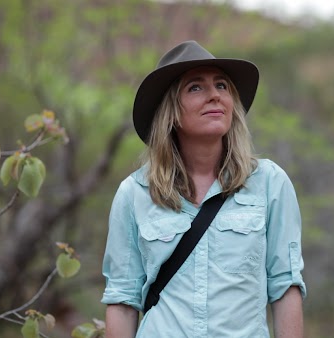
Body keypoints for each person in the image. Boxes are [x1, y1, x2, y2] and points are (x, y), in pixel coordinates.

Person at [100, 40, 306, 338]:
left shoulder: (269, 183)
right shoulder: (134, 193)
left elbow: (285, 286)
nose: (214, 96)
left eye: (222, 86)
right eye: (196, 87)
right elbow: (122, 301)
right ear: (170, 112)